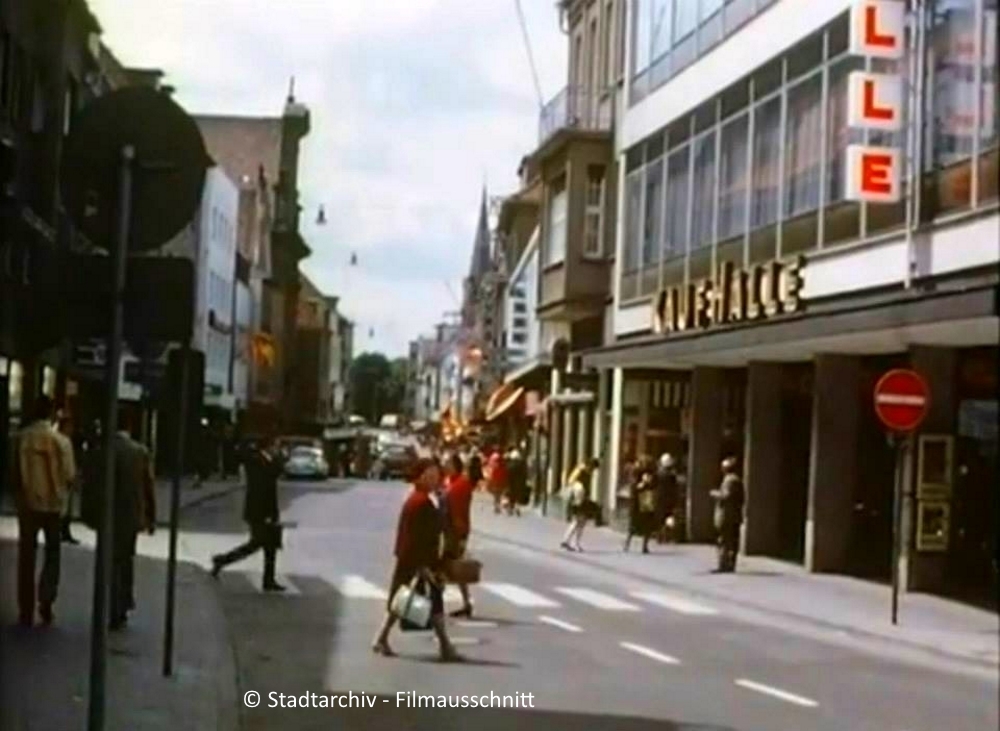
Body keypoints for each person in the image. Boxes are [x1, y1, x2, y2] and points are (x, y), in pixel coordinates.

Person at [372, 458, 461, 662]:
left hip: (413, 558)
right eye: (430, 475)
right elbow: (419, 535)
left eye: (436, 475)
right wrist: (423, 565)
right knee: (426, 601)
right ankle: (445, 646)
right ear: (420, 477)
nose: (435, 479)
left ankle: (382, 638)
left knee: (403, 600)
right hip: (418, 560)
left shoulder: (420, 499)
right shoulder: (420, 502)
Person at [13, 395, 74, 627]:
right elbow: (69, 475)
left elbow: (13, 472)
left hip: (28, 504)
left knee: (26, 556)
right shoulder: (61, 441)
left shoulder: (20, 439)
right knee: (52, 554)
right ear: (50, 413)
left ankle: (25, 608)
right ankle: (46, 600)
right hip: (53, 506)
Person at [210, 434, 286, 591]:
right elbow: (268, 473)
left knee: (270, 546)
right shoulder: (256, 460)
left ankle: (268, 580)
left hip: (268, 510)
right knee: (256, 544)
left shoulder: (267, 461)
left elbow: (278, 472)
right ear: (269, 446)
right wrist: (250, 446)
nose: (277, 449)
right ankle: (222, 560)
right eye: (276, 446)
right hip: (258, 510)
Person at [109, 425, 156, 630]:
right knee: (126, 560)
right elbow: (148, 486)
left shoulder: (104, 450)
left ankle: (112, 604)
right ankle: (123, 603)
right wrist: (151, 517)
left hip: (107, 515)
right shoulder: (139, 452)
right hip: (130, 516)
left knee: (110, 562)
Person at [443, 454, 474, 618]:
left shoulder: (460, 484)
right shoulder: (451, 482)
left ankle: (436, 605)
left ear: (455, 465)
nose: (445, 465)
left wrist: (461, 537)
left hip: (455, 532)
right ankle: (466, 603)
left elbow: (459, 511)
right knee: (454, 569)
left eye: (448, 463)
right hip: (450, 530)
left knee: (445, 567)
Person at [711, 456, 745, 573]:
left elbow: (726, 496)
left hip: (727, 515)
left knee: (724, 540)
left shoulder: (730, 480)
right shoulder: (736, 479)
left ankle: (724, 564)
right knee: (731, 541)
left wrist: (715, 494)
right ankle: (729, 563)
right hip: (734, 515)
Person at [560, 459, 598, 552]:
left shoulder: (583, 471)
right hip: (579, 500)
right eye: (593, 468)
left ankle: (567, 540)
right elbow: (571, 481)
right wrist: (578, 488)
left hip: (580, 499)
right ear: (590, 466)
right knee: (579, 522)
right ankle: (573, 542)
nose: (593, 471)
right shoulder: (581, 471)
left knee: (578, 521)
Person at [53, 413, 80, 545]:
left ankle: (63, 532)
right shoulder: (64, 442)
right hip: (63, 479)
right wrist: (72, 478)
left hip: (58, 478)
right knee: (63, 508)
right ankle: (63, 532)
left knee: (64, 508)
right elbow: (67, 463)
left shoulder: (55, 439)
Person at [624, 459, 657, 553]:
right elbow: (634, 489)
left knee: (645, 526)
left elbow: (653, 487)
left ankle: (642, 546)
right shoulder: (636, 475)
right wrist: (641, 485)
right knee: (635, 526)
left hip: (645, 503)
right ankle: (629, 544)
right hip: (640, 504)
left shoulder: (650, 475)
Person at [655, 453, 679, 544]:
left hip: (660, 498)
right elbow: (675, 487)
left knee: (660, 518)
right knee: (668, 517)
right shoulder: (671, 475)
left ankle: (660, 535)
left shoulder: (659, 473)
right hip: (669, 499)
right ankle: (667, 535)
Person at [486, 448, 507, 514]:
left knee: (496, 496)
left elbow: (493, 476)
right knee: (499, 495)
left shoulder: (496, 469)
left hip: (497, 483)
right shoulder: (503, 468)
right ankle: (498, 506)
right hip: (501, 483)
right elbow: (505, 476)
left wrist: (491, 482)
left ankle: (497, 507)